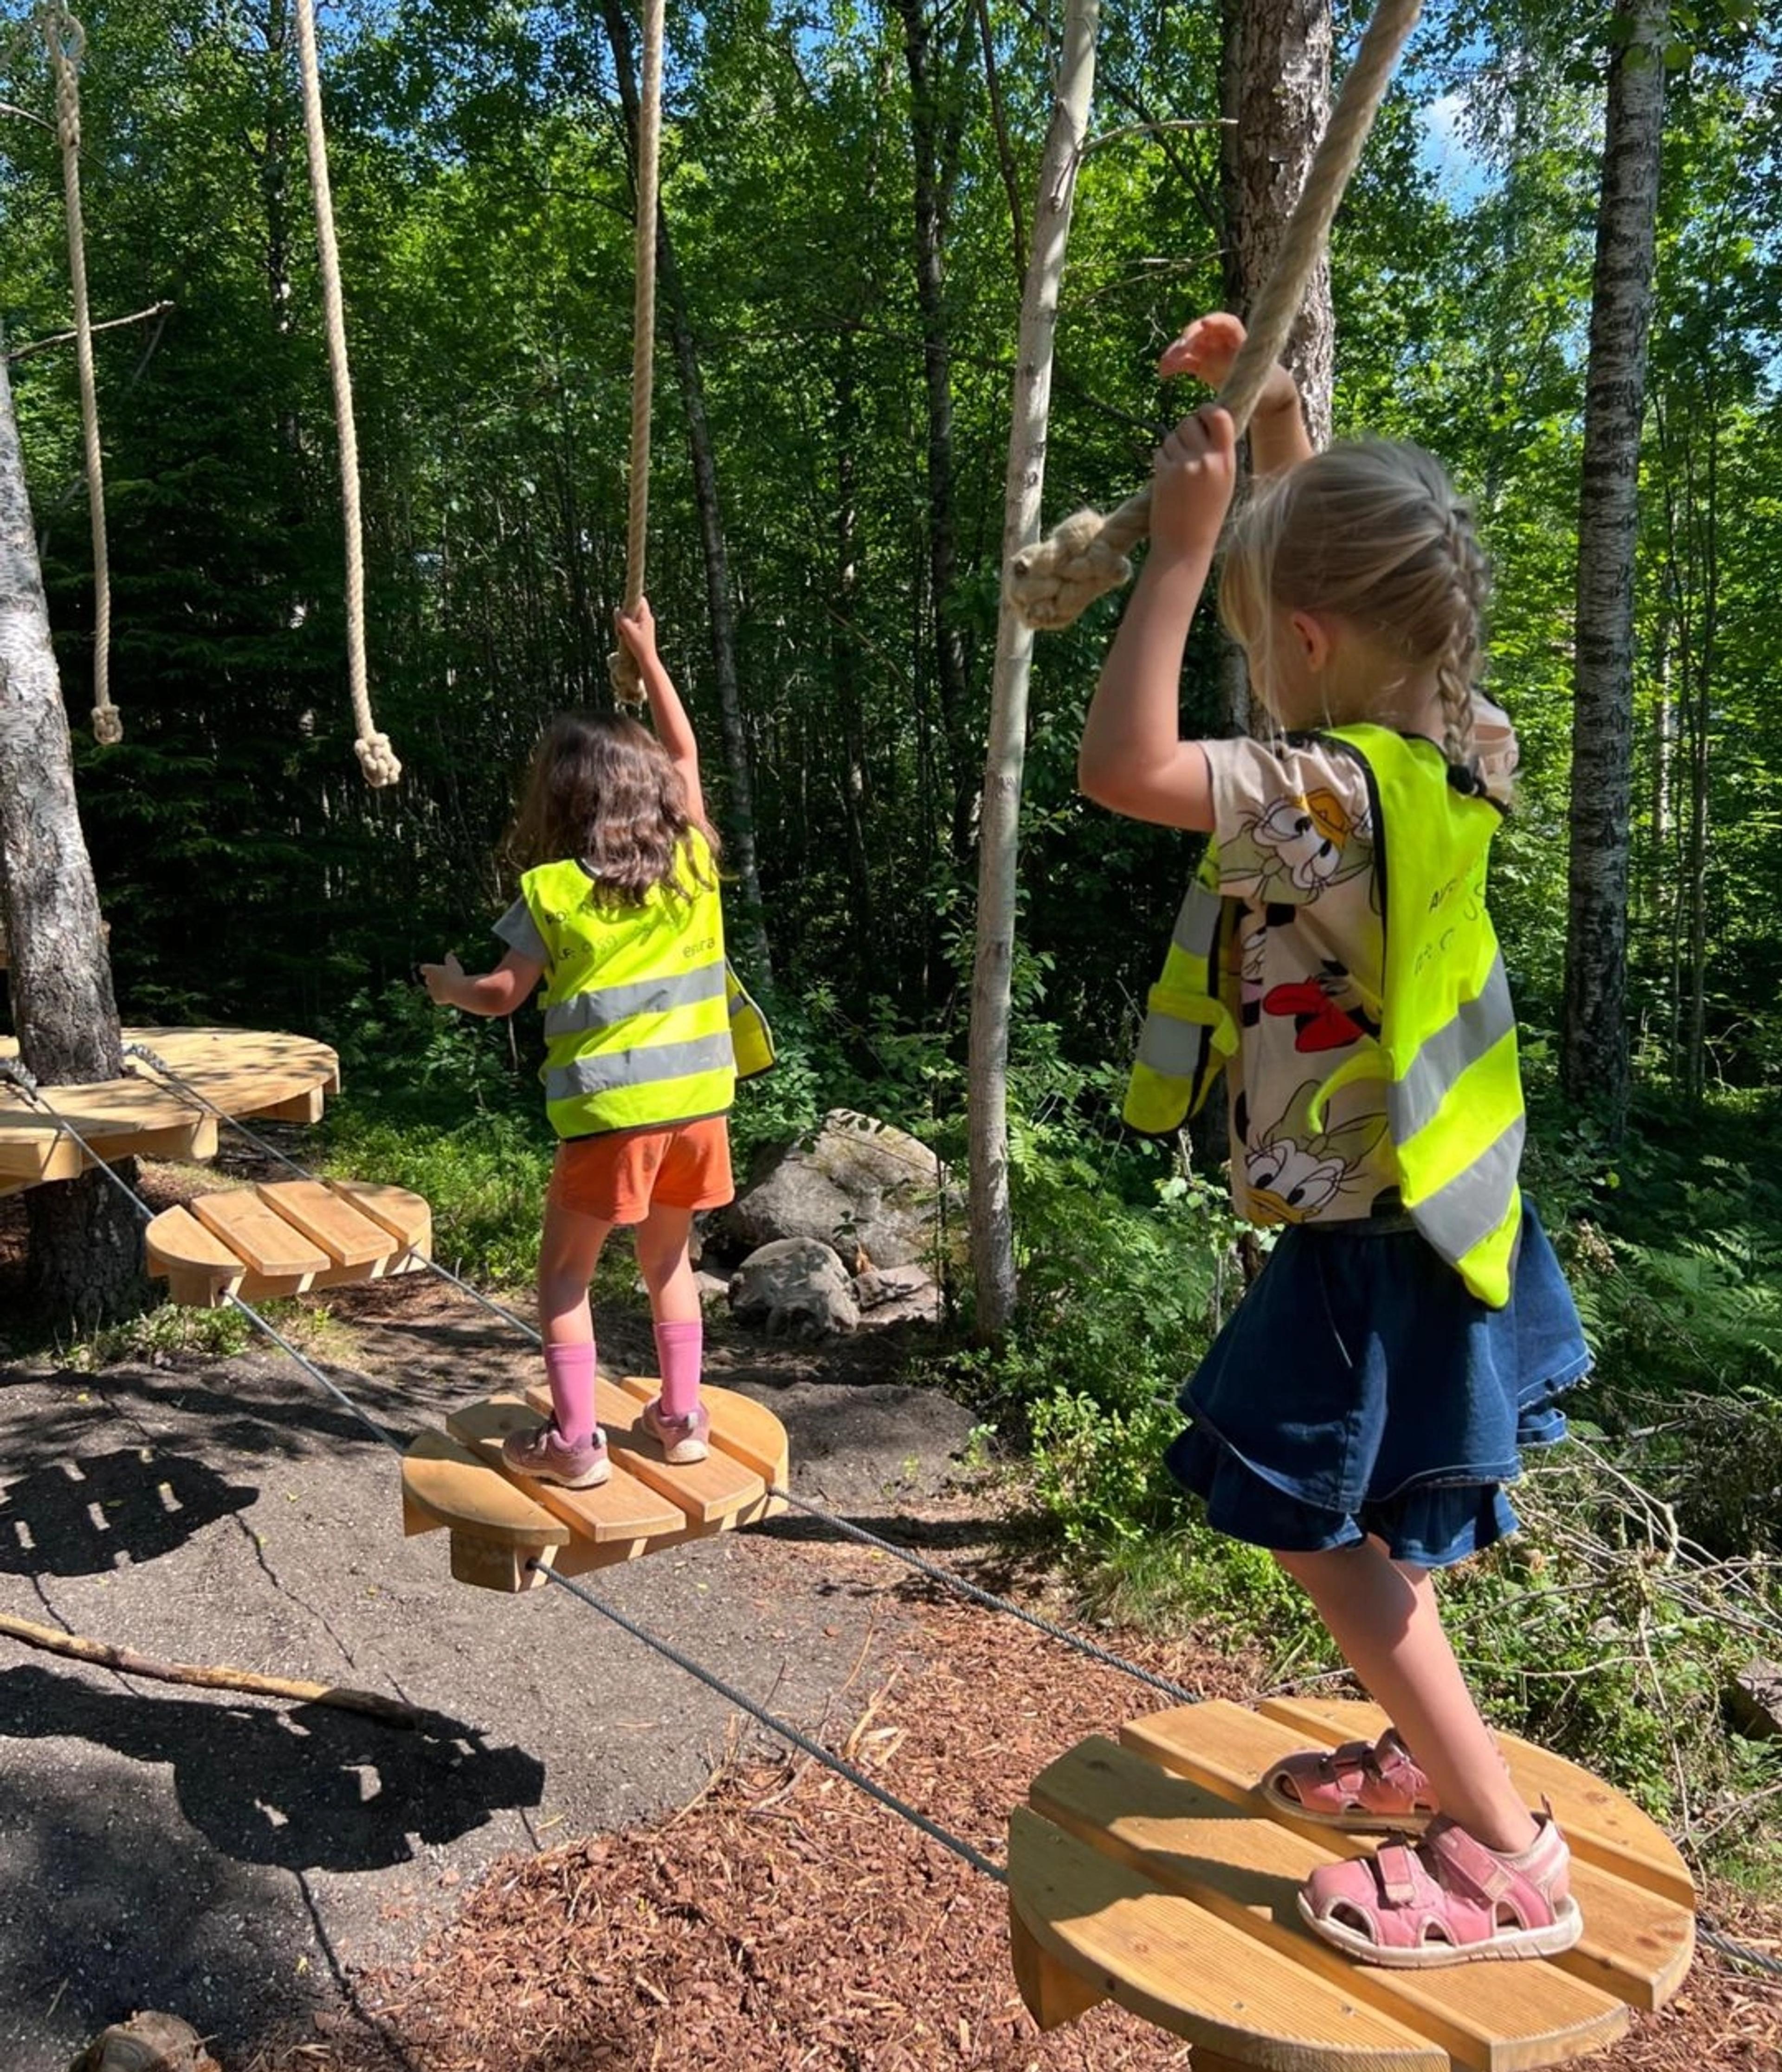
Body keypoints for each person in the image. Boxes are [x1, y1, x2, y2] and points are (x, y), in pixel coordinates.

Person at [1078, 312, 1591, 1969]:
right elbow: (1356, 612)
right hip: (1436, 1211)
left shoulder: (1332, 795)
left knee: (1315, 1520)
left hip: (1373, 1239)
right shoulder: (1457, 747)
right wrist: (1287, 426)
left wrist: (1172, 558)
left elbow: (1124, 763)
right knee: (1363, 1520)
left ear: (1299, 644)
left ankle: (1506, 1851)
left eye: (1257, 639)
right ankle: (1421, 1762)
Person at [421, 601, 735, 1488]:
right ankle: (681, 1421)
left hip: (611, 1116)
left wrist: (451, 985)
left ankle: (575, 1445)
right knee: (669, 1258)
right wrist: (652, 654)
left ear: (563, 797)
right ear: (656, 797)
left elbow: (499, 995)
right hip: (702, 1105)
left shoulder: (554, 888)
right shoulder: (695, 862)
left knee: (563, 1278)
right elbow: (688, 757)